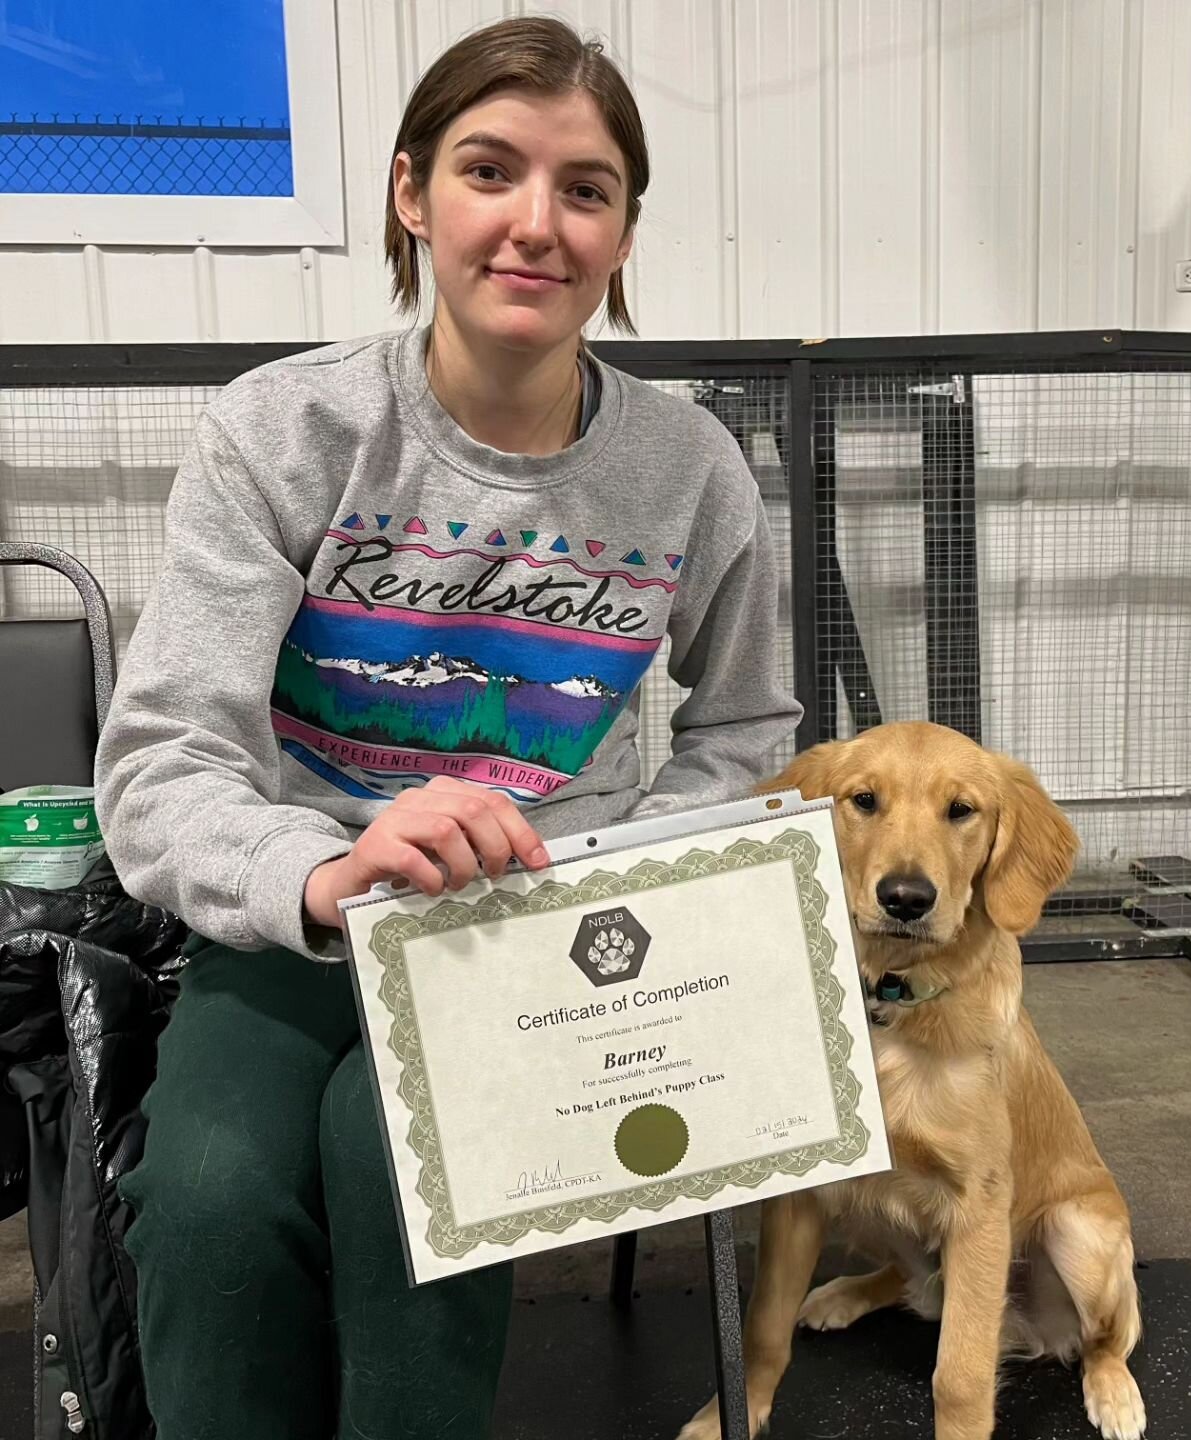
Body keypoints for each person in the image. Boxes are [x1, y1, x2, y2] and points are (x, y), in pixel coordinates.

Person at [94, 16, 800, 1438]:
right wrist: (317, 869)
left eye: (585, 189)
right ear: (415, 196)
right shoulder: (281, 432)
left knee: (399, 1160)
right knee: (212, 1200)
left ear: (621, 233)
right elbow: (165, 758)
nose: (535, 224)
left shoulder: (689, 470)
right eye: (491, 170)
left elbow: (748, 733)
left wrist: (607, 864)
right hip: (310, 914)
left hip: (543, 931)